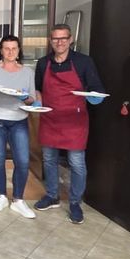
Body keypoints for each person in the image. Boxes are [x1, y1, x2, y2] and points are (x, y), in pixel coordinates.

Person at [34, 23, 106, 224]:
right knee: (49, 160)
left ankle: (75, 202)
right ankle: (52, 195)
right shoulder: (43, 63)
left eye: (63, 38)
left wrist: (95, 97)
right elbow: (38, 88)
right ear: (50, 40)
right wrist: (38, 102)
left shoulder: (83, 62)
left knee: (76, 163)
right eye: (55, 38)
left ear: (70, 39)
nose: (59, 42)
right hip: (50, 118)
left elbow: (97, 88)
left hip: (75, 120)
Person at [0, 36, 37, 218]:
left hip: (18, 119)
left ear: (19, 51)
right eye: (6, 48)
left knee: (23, 160)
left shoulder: (27, 72)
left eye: (14, 48)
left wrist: (25, 98)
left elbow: (31, 99)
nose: (10, 52)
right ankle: (2, 196)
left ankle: (18, 199)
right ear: (1, 51)